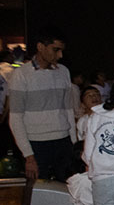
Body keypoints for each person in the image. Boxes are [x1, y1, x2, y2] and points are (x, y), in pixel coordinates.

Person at [8, 27, 78, 180]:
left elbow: (68, 110)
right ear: (40, 47)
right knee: (39, 191)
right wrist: (28, 155)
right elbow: (15, 118)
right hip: (37, 144)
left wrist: (73, 143)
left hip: (63, 141)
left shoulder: (63, 72)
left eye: (62, 50)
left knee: (68, 189)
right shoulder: (21, 74)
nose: (60, 55)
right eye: (56, 50)